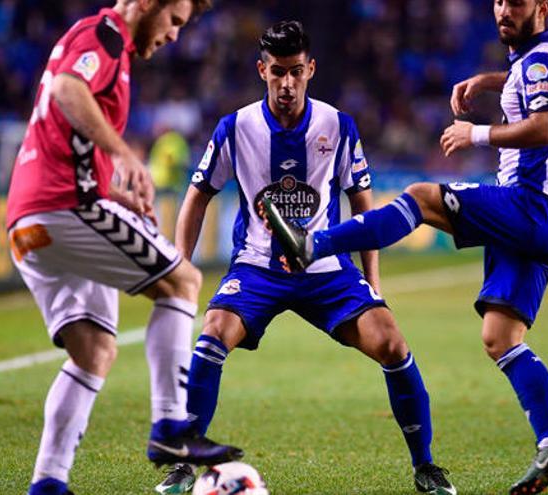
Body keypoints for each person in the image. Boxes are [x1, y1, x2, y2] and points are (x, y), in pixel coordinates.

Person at [264, 1, 548, 494]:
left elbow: (547, 127)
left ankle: (314, 243)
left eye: (515, 2)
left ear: (540, 6)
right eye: (497, 1)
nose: (503, 10)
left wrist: (475, 132)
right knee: (500, 337)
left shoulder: (539, 63)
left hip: (530, 205)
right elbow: (534, 81)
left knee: (420, 197)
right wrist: (488, 81)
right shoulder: (538, 60)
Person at [156, 21, 456, 495]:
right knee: (212, 335)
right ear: (262, 70)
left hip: (326, 270)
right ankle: (183, 463)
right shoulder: (235, 128)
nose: (287, 84)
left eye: (296, 72)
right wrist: (180, 267)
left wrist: (372, 282)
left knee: (393, 345)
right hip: (257, 268)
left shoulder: (338, 126)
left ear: (311, 69)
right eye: (278, 72)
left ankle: (426, 466)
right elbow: (197, 196)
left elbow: (363, 205)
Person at [5, 2, 242, 494]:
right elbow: (68, 89)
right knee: (183, 280)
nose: (176, 35)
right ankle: (171, 429)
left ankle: (48, 484)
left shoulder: (101, 43)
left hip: (29, 224)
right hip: (63, 207)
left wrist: (117, 192)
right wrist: (123, 155)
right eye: (175, 19)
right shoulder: (106, 36)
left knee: (93, 352)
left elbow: (63, 134)